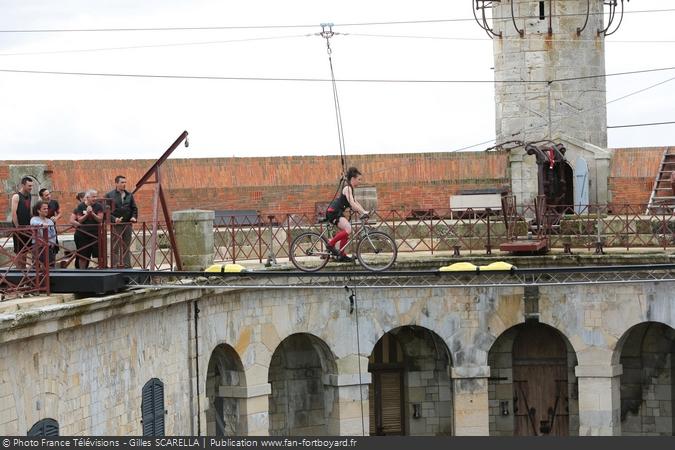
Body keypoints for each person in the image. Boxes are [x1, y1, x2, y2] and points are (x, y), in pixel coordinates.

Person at [325, 167, 369, 262]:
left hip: (337, 212)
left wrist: (364, 211)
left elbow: (356, 203)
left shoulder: (351, 189)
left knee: (347, 231)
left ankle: (341, 255)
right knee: (348, 229)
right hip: (333, 211)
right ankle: (330, 244)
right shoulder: (347, 188)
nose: (360, 182)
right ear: (353, 179)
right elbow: (352, 204)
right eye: (359, 179)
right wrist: (363, 212)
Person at [105, 175, 138, 268]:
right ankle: (115, 266)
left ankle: (127, 265)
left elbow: (134, 208)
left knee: (126, 245)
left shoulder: (129, 195)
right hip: (116, 224)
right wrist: (114, 219)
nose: (124, 184)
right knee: (115, 246)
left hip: (127, 224)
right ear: (116, 183)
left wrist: (133, 217)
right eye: (122, 182)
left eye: (125, 182)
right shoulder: (109, 195)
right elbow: (106, 211)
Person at [74, 190, 104, 269]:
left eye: (96, 196)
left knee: (100, 255)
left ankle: (101, 270)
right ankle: (82, 273)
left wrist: (92, 213)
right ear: (87, 198)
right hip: (82, 235)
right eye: (93, 197)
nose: (95, 198)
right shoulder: (81, 206)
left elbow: (100, 219)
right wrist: (87, 214)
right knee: (83, 256)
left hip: (95, 234)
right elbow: (79, 220)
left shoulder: (99, 206)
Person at [10, 177, 34, 269]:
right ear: (23, 185)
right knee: (19, 251)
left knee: (26, 250)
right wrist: (17, 228)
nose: (31, 187)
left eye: (32, 186)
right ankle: (18, 272)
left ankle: (23, 271)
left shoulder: (30, 195)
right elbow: (13, 213)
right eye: (29, 186)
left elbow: (29, 210)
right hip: (19, 228)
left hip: (27, 227)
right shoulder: (16, 196)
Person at [30, 201, 58, 268]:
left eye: (47, 208)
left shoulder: (50, 221)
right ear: (38, 211)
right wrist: (41, 224)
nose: (46, 210)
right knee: (36, 266)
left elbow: (53, 233)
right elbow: (33, 223)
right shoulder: (34, 219)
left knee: (50, 265)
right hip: (38, 246)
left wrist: (52, 243)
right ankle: (37, 278)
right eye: (44, 209)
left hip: (49, 247)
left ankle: (50, 278)